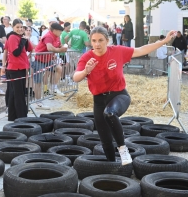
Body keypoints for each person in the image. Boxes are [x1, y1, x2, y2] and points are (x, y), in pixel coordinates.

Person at [73, 26, 175, 165]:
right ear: (91, 42)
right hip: (99, 100)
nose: (97, 44)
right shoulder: (87, 58)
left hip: (119, 95)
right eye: (94, 41)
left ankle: (123, 148)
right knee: (105, 139)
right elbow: (76, 77)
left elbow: (142, 50)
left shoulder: (117, 51)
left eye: (101, 40)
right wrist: (86, 71)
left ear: (107, 41)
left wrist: (164, 41)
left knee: (109, 113)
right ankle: (112, 168)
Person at [2, 19, 33, 121]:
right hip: (15, 68)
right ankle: (21, 117)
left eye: (21, 27)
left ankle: (14, 116)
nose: (20, 29)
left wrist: (26, 39)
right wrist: (23, 41)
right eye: (17, 27)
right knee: (18, 94)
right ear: (13, 27)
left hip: (20, 67)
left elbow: (30, 48)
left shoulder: (19, 37)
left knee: (16, 93)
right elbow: (16, 52)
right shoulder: (12, 37)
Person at [33, 23, 67, 109]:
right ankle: (38, 102)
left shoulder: (57, 37)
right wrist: (60, 50)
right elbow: (50, 48)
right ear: (54, 30)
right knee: (38, 82)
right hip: (38, 60)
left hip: (48, 59)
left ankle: (54, 87)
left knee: (59, 68)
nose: (61, 33)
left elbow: (59, 45)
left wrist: (63, 47)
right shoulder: (48, 36)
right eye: (60, 31)